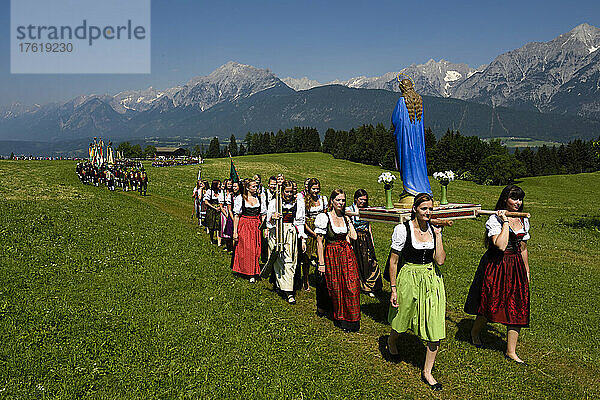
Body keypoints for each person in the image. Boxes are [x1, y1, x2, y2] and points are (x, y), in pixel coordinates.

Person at [464, 184, 530, 364]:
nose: (518, 202)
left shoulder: (523, 220)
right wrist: (505, 221)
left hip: (515, 266)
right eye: (514, 198)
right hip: (497, 265)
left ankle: (511, 351)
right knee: (490, 303)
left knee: (518, 305)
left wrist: (526, 270)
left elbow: (523, 247)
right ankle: (475, 332)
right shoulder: (494, 220)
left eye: (520, 199)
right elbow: (500, 245)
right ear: (504, 200)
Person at [387, 193, 446, 390]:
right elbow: (393, 261)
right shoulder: (402, 230)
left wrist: (438, 235)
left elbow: (440, 260)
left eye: (430, 209)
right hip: (408, 277)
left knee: (435, 323)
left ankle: (427, 372)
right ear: (415, 209)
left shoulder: (434, 230)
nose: (428, 212)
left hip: (431, 278)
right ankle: (392, 340)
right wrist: (393, 288)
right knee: (402, 317)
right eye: (424, 209)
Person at [315, 189, 360, 332]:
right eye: (338, 200)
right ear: (332, 201)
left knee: (352, 285)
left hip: (346, 254)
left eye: (343, 200)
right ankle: (341, 318)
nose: (341, 203)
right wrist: (321, 263)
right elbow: (320, 242)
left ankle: (352, 318)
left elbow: (354, 237)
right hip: (331, 255)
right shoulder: (324, 217)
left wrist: (348, 219)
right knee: (336, 287)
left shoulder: (345, 218)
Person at [267, 180, 306, 304]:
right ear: (282, 192)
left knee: (290, 262)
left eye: (290, 192)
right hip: (277, 233)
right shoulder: (274, 203)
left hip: (290, 234)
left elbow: (300, 222)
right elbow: (268, 222)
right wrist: (273, 218)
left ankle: (287, 288)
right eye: (286, 192)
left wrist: (302, 238)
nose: (288, 194)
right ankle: (287, 292)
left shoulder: (298, 203)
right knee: (279, 262)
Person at [391, 78, 432, 197]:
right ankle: (423, 187)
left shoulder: (402, 101)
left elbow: (396, 120)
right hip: (418, 139)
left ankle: (410, 187)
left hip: (406, 138)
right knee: (419, 160)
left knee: (407, 160)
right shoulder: (419, 101)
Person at [346, 189, 382, 297]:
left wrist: (372, 239)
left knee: (370, 261)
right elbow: (346, 215)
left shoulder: (366, 208)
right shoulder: (350, 209)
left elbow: (368, 226)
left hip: (366, 237)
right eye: (361, 199)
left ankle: (372, 284)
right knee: (359, 261)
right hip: (356, 238)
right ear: (356, 199)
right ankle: (362, 285)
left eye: (364, 200)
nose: (363, 202)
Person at [232, 179, 266, 282]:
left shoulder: (260, 198)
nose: (256, 189)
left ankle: (252, 271)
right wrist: (235, 231)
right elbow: (236, 216)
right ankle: (247, 271)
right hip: (245, 224)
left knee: (255, 249)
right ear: (247, 188)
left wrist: (265, 227)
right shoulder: (240, 198)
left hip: (256, 225)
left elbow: (263, 214)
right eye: (253, 187)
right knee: (245, 248)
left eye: (256, 186)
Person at [302, 178, 328, 293]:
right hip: (310, 228)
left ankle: (320, 280)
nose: (316, 191)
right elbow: (303, 220)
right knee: (307, 257)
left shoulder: (323, 199)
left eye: (317, 189)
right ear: (309, 188)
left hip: (321, 228)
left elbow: (326, 213)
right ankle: (306, 280)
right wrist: (312, 233)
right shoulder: (304, 200)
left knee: (321, 256)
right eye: (313, 189)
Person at [203, 180, 222, 246]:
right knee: (211, 226)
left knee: (218, 226)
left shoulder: (221, 192)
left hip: (219, 210)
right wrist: (214, 208)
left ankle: (219, 242)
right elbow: (206, 202)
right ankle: (211, 238)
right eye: (219, 184)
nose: (220, 185)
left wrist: (220, 207)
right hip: (211, 211)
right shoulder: (209, 192)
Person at [220, 179, 234, 252]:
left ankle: (232, 246)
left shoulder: (233, 193)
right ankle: (227, 245)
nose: (229, 185)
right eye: (228, 184)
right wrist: (226, 214)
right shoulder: (223, 193)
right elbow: (221, 205)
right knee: (224, 228)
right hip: (225, 211)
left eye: (230, 184)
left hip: (231, 210)